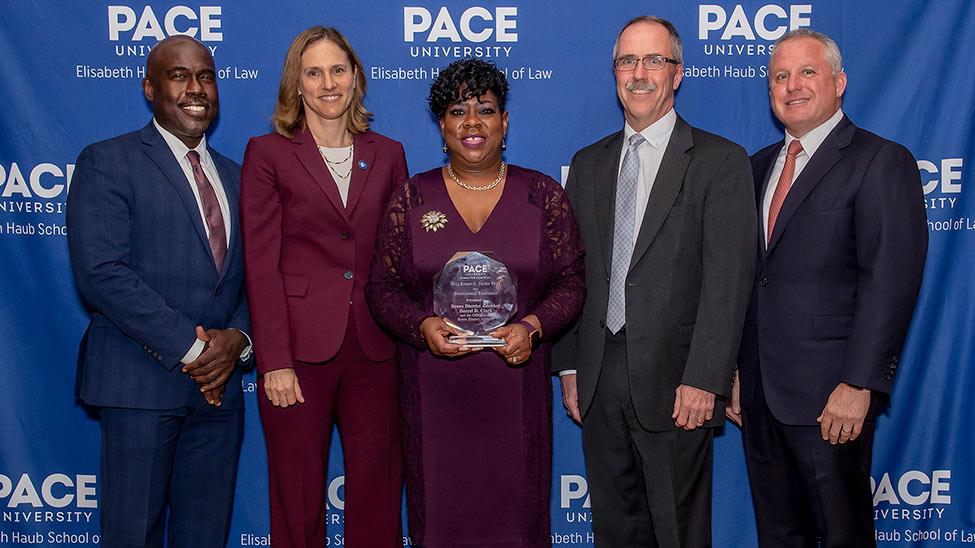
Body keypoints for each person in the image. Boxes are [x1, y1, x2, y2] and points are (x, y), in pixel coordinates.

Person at [552, 16, 756, 546]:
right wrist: (570, 365)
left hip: (678, 382)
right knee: (616, 532)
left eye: (653, 60)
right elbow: (572, 274)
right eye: (627, 61)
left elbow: (728, 281)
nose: (638, 73)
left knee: (678, 532)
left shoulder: (720, 161)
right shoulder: (588, 163)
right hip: (598, 378)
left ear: (678, 73)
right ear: (615, 71)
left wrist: (707, 378)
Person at [366, 58, 585, 548]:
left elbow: (571, 283)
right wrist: (421, 325)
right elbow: (381, 288)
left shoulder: (543, 196)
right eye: (457, 111)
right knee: (440, 523)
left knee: (516, 524)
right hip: (433, 391)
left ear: (504, 122)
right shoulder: (410, 198)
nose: (472, 123)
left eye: (485, 110)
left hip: (515, 389)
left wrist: (531, 325)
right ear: (441, 125)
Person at [727, 29, 927, 546]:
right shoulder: (755, 168)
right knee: (780, 535)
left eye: (807, 72)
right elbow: (749, 281)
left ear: (839, 82)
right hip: (761, 395)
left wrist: (859, 383)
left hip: (831, 398)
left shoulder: (881, 160)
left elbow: (890, 281)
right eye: (779, 76)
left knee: (843, 535)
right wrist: (733, 369)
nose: (792, 85)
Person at [67, 35, 251, 548]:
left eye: (207, 77)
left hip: (219, 401)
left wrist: (237, 338)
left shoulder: (239, 177)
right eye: (179, 76)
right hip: (139, 387)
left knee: (205, 537)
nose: (196, 88)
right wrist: (198, 353)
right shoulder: (108, 161)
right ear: (150, 87)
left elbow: (256, 278)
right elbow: (101, 273)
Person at [240, 26, 406, 548]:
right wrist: (275, 362)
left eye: (338, 70)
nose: (328, 83)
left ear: (355, 78)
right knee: (297, 495)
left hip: (375, 348)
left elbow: (397, 255)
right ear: (297, 85)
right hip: (297, 353)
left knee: (379, 490)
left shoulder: (388, 152)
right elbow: (261, 265)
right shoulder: (267, 153)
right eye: (314, 73)